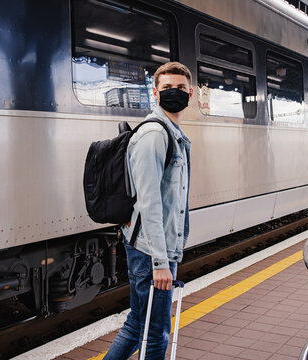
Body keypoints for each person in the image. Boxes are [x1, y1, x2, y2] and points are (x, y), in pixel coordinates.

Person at [104, 62, 192, 360]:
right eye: (167, 88)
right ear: (155, 93)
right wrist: (160, 262)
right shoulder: (155, 134)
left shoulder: (171, 132)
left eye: (180, 88)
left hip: (153, 246)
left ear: (190, 93)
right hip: (151, 250)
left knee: (138, 324)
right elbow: (149, 202)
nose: (174, 93)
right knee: (155, 334)